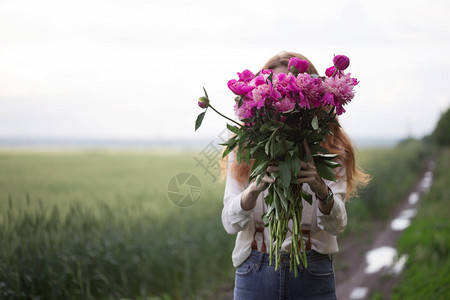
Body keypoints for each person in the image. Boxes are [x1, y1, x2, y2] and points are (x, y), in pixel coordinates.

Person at [221, 51, 370, 300]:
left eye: (289, 90)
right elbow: (229, 223)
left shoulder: (331, 145)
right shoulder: (245, 145)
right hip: (255, 268)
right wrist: (254, 189)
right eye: (277, 89)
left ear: (313, 95)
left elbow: (338, 225)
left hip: (313, 271)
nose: (283, 97)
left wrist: (321, 189)